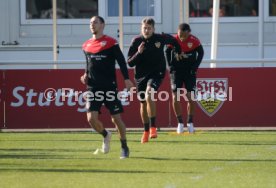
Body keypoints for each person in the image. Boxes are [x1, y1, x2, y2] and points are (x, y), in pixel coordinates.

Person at [80, 16, 134, 159]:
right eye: (90, 22)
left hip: (109, 87)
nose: (92, 25)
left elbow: (122, 62)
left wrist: (127, 79)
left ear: (102, 25)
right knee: (91, 119)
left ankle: (124, 146)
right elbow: (88, 63)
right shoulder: (85, 45)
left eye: (95, 22)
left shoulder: (111, 42)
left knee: (116, 119)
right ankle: (106, 135)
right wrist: (85, 74)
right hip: (93, 87)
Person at [127, 17, 182, 143]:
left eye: (149, 28)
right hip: (140, 76)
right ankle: (146, 131)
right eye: (144, 28)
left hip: (157, 73)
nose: (146, 30)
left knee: (149, 94)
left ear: (153, 29)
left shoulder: (160, 38)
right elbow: (130, 62)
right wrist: (139, 53)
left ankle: (153, 127)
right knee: (143, 103)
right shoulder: (136, 41)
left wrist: (178, 51)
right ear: (141, 28)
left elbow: (174, 40)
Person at [165, 23, 204, 134]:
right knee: (175, 97)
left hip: (189, 72)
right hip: (176, 72)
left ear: (188, 32)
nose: (181, 37)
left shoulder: (194, 40)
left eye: (183, 34)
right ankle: (180, 123)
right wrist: (170, 66)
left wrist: (195, 67)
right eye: (179, 34)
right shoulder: (173, 39)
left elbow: (201, 53)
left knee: (190, 97)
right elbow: (167, 51)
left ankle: (190, 122)